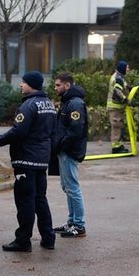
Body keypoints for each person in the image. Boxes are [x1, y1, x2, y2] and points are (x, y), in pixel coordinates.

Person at [0, 71, 56, 252]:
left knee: (25, 202)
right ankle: (48, 238)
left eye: (23, 82)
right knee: (40, 200)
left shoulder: (29, 106)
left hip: (26, 160)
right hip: (41, 160)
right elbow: (53, 132)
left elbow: (18, 131)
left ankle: (23, 240)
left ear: (32, 84)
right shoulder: (49, 105)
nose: (21, 85)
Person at [51, 72, 88, 238]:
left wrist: (61, 144)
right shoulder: (68, 101)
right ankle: (72, 222)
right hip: (65, 150)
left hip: (69, 151)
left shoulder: (75, 104)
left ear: (67, 85)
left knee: (73, 188)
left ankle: (79, 225)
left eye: (58, 85)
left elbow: (75, 130)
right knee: (67, 187)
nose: (55, 88)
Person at [106, 60, 130, 153]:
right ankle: (116, 147)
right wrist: (125, 100)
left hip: (116, 106)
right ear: (123, 68)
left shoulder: (119, 77)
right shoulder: (118, 78)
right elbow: (117, 92)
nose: (128, 69)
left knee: (118, 125)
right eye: (127, 67)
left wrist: (129, 87)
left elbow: (122, 86)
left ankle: (118, 145)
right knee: (116, 125)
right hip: (115, 106)